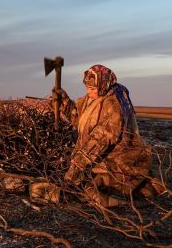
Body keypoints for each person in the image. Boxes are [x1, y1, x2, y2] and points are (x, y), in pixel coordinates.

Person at [54, 64, 163, 207]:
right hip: (96, 158)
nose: (89, 91)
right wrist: (64, 102)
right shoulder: (90, 100)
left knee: (100, 191)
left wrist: (78, 165)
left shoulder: (113, 105)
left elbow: (100, 140)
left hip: (116, 160)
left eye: (93, 88)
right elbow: (80, 121)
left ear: (104, 85)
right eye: (87, 88)